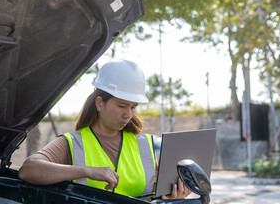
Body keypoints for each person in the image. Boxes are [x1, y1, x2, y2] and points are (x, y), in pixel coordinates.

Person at [18, 59, 191, 199]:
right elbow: (29, 170)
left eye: (133, 107)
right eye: (122, 105)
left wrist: (171, 199)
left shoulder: (143, 145)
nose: (128, 114)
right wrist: (87, 171)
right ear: (100, 103)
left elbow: (153, 195)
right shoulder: (73, 143)